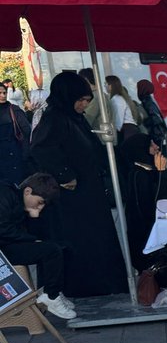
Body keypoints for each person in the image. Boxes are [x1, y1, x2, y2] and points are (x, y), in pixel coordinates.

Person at [30, 71, 127, 298]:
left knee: (95, 240)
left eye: (86, 101)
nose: (84, 105)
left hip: (88, 192)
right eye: (81, 100)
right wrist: (65, 175)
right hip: (71, 198)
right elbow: (41, 149)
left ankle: (103, 285)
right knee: (81, 242)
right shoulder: (54, 117)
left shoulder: (73, 117)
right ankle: (84, 289)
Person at [0, 172, 73, 318]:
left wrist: (32, 219)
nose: (39, 208)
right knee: (51, 251)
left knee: (56, 247)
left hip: (7, 244)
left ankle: (51, 291)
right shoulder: (4, 195)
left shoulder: (16, 198)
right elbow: (3, 228)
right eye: (39, 202)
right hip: (3, 251)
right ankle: (51, 296)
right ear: (27, 191)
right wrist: (30, 238)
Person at [116, 134, 167, 270]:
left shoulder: (146, 172)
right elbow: (157, 205)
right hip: (148, 245)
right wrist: (162, 173)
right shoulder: (140, 176)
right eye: (151, 145)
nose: (156, 148)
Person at [0, 82, 31, 186]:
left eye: (4, 93)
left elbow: (26, 130)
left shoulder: (14, 109)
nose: (3, 96)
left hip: (16, 152)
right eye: (0, 93)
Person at [104, 77, 143, 145]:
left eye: (105, 84)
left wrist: (115, 132)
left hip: (126, 130)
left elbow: (118, 118)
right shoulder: (120, 98)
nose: (104, 86)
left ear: (110, 85)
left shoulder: (117, 99)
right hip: (130, 129)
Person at [135, 80, 167, 147]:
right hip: (157, 134)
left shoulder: (147, 102)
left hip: (155, 135)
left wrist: (145, 123)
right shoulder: (149, 100)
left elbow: (155, 119)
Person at [78, 68, 110, 133]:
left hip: (100, 138)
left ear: (86, 80)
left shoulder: (95, 98)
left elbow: (86, 120)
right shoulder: (102, 95)